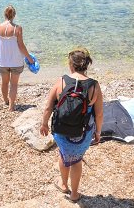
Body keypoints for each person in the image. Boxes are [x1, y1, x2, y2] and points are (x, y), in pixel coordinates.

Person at [40, 48, 104, 203]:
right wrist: (97, 132)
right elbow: (99, 114)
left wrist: (44, 124)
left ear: (71, 65)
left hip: (61, 130)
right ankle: (74, 193)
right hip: (83, 132)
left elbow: (48, 107)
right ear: (86, 65)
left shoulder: (61, 81)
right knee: (77, 160)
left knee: (63, 154)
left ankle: (63, 184)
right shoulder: (94, 86)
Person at [0, 5, 34, 111]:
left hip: (2, 62)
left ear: (4, 14)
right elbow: (21, 46)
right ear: (14, 15)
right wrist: (29, 58)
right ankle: (11, 106)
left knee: (4, 82)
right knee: (14, 84)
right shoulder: (17, 28)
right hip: (16, 61)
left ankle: (6, 100)